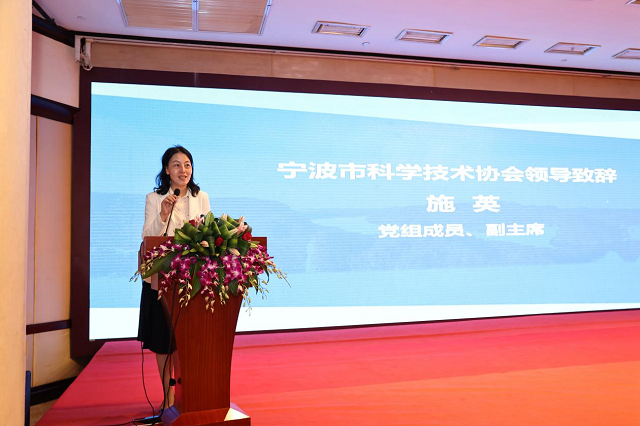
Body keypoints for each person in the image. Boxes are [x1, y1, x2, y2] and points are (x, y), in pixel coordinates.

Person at [137, 145, 211, 409]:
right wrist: (163, 215)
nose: (183, 170)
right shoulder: (154, 198)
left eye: (187, 164)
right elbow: (148, 238)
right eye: (177, 165)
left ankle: (188, 392)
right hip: (162, 280)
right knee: (163, 341)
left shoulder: (201, 197)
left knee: (189, 340)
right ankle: (168, 395)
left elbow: (207, 235)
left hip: (193, 280)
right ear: (167, 170)